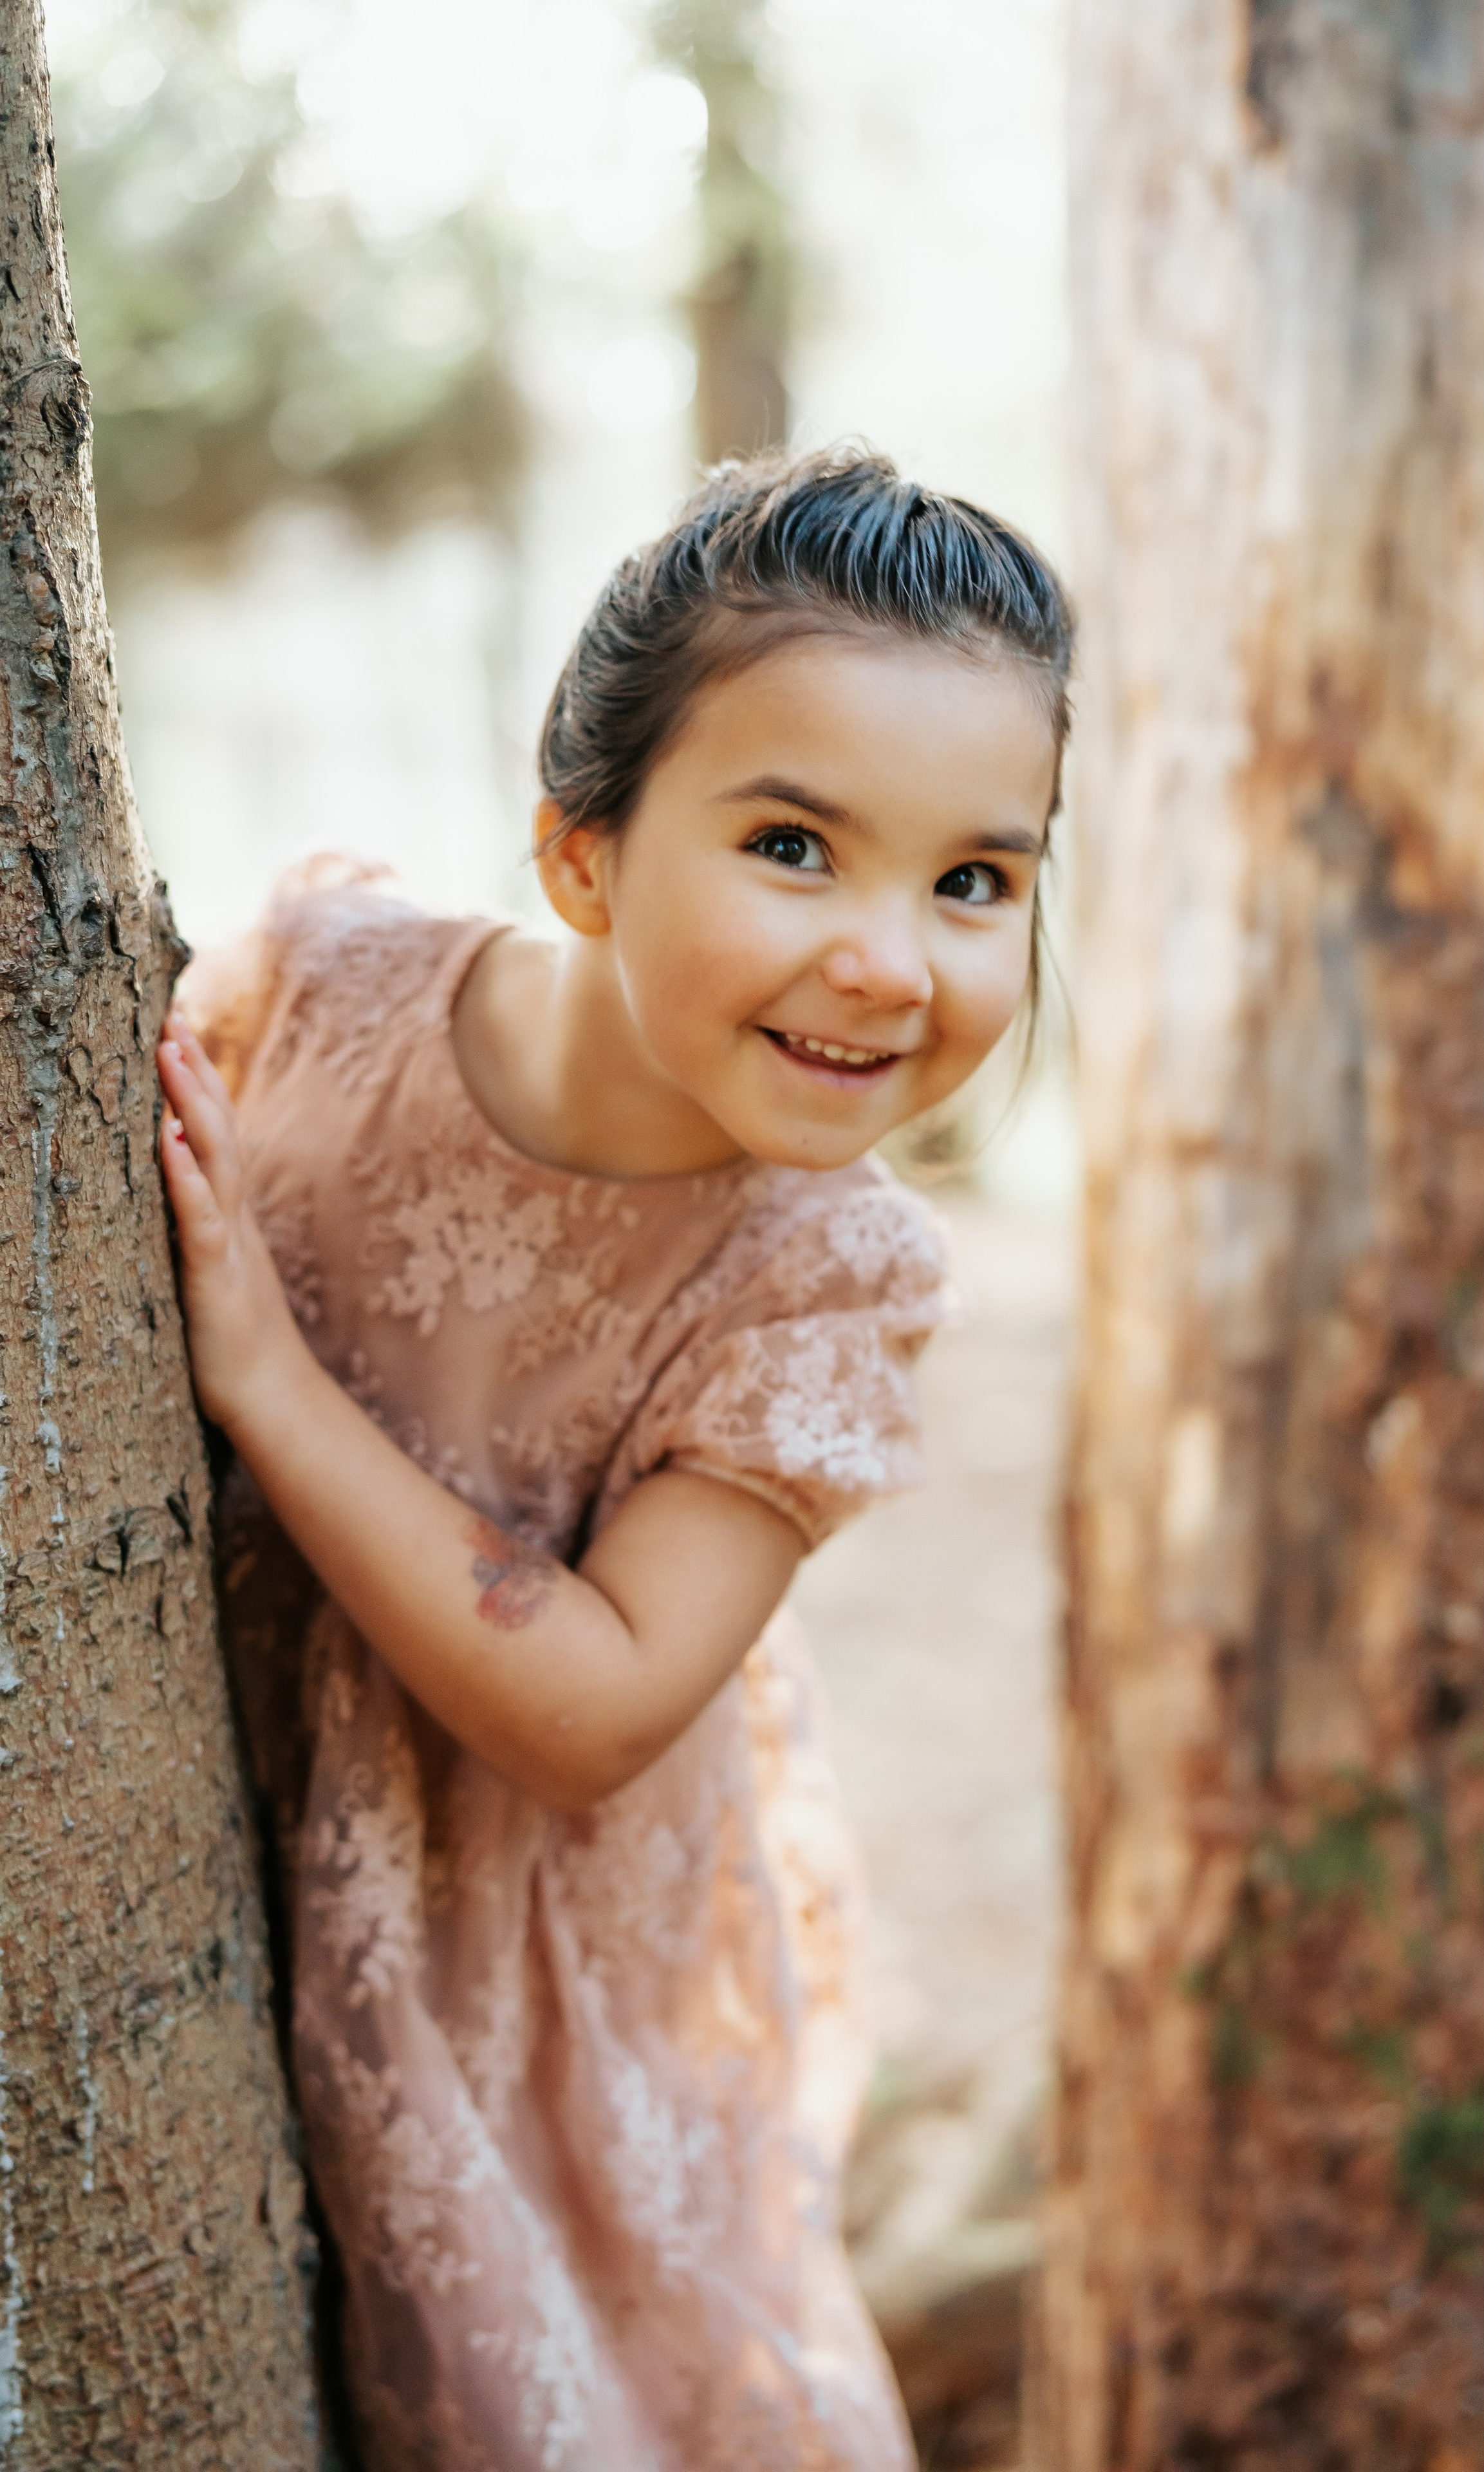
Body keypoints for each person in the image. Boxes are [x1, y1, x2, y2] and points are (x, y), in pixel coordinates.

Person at [157, 445, 1073, 2472]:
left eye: (975, 881)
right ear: (582, 855)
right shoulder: (324, 976)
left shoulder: (827, 1274)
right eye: (794, 845)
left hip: (533, 1970)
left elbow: (594, 1711)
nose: (889, 960)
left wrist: (270, 1383)